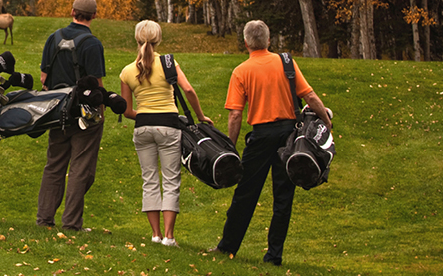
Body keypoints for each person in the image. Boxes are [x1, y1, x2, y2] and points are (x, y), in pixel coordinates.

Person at [210, 20, 332, 265]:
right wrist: (325, 121)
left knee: (245, 193)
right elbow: (309, 95)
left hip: (261, 137)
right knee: (283, 197)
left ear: (246, 43)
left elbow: (235, 114)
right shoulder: (286, 62)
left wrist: (230, 147)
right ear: (268, 40)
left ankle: (227, 247)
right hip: (289, 137)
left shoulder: (241, 71)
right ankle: (274, 255)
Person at [119, 20, 212, 247]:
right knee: (171, 179)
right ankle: (169, 237)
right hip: (168, 125)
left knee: (149, 179)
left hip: (142, 127)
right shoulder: (169, 64)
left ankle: (155, 234)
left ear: (137, 39)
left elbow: (127, 110)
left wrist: (145, 113)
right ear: (158, 39)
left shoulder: (127, 72)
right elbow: (188, 89)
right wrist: (200, 117)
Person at [36, 0, 106, 231]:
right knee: (80, 167)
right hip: (85, 113)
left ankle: (44, 219)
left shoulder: (53, 38)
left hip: (56, 111)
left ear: (72, 11)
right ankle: (72, 223)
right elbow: (96, 83)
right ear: (94, 15)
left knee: (54, 164)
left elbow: (44, 79)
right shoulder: (92, 44)